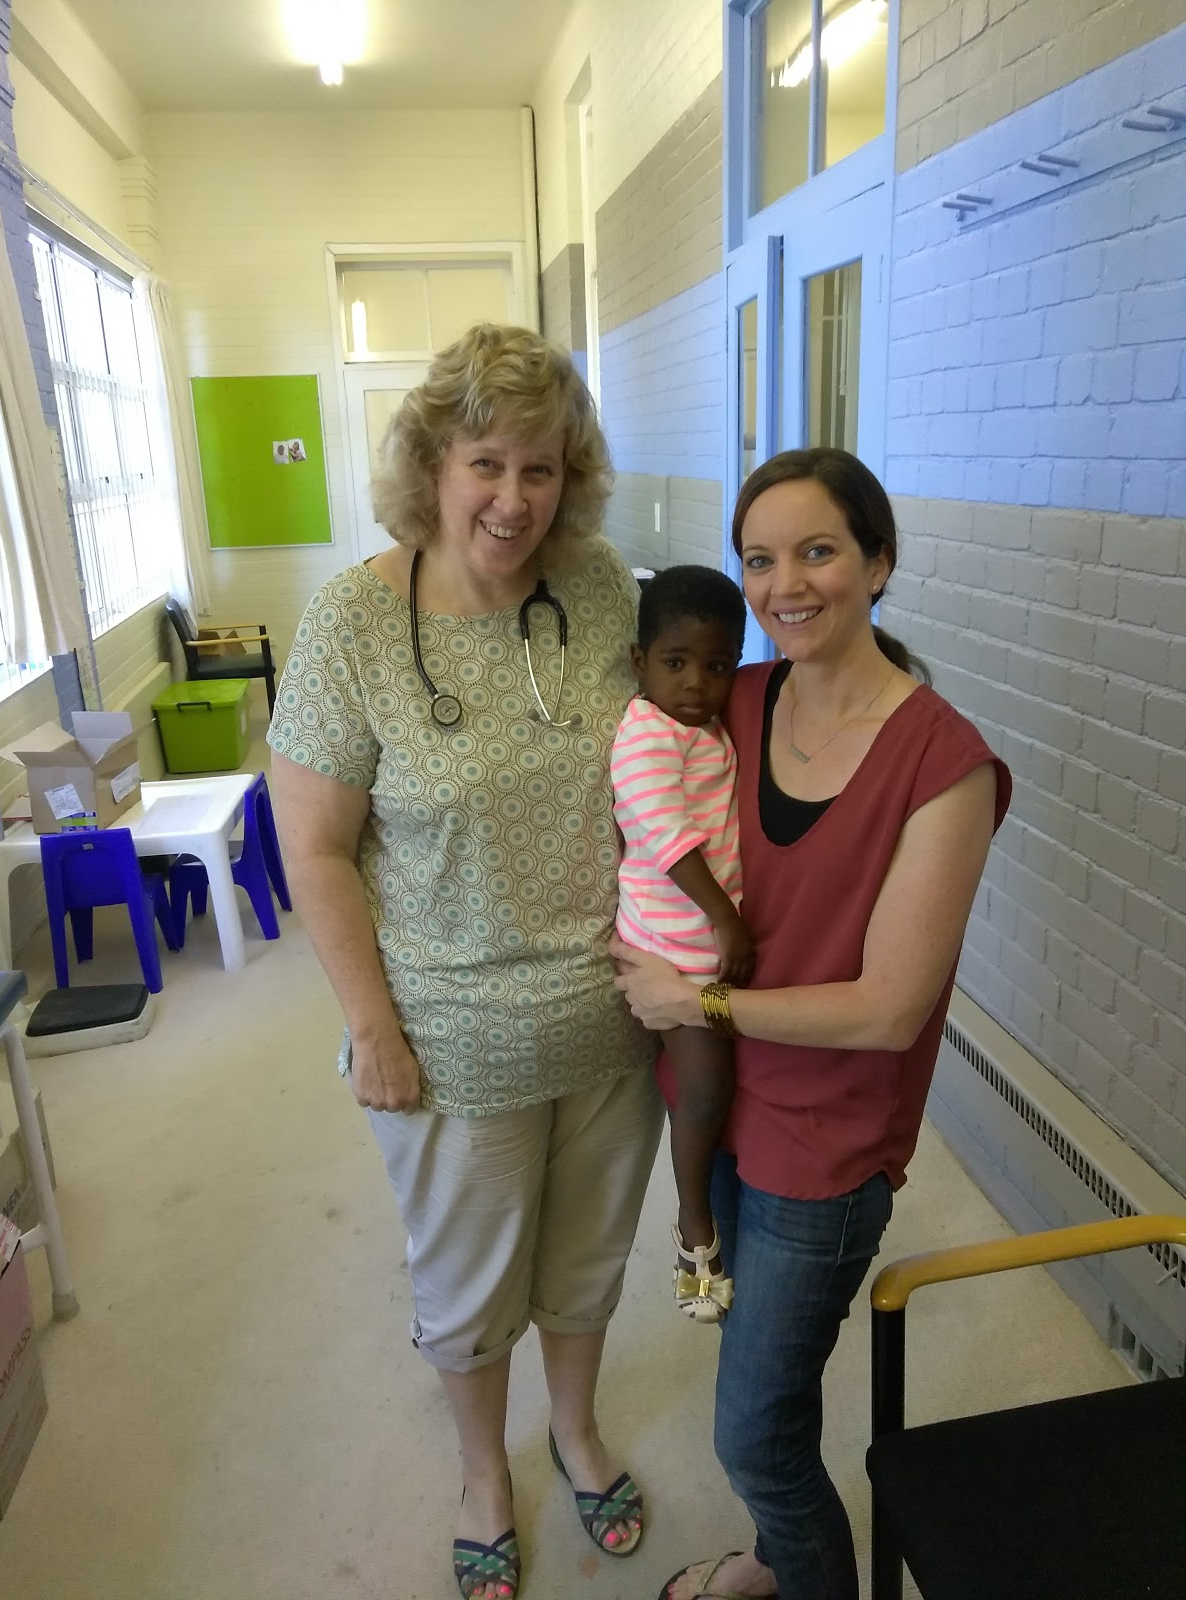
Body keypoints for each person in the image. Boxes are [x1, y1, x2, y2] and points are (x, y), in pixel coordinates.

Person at [268, 324, 663, 1600]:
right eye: (487, 463)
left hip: (615, 1017)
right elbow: (315, 847)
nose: (513, 498)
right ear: (433, 463)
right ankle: (485, 1474)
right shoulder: (353, 623)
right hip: (452, 1036)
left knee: (588, 1259)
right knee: (470, 1284)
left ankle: (578, 1432)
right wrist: (371, 1028)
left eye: (541, 468)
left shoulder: (600, 589)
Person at [611, 447, 1012, 1600]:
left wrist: (697, 1000)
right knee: (759, 1377)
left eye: (819, 550)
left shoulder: (944, 766)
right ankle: (774, 1560)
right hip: (718, 1101)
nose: (784, 583)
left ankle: (801, 1566)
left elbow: (889, 1011)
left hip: (823, 1147)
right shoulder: (733, 697)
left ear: (879, 561)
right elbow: (638, 791)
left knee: (753, 1434)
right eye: (760, 560)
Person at [611, 565, 753, 1323]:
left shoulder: (701, 728)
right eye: (676, 662)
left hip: (693, 936)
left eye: (717, 665)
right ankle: (694, 1226)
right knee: (704, 1092)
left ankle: (706, 1211)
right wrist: (727, 918)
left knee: (715, 1087)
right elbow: (666, 838)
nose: (696, 682)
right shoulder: (646, 733)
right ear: (641, 663)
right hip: (674, 946)